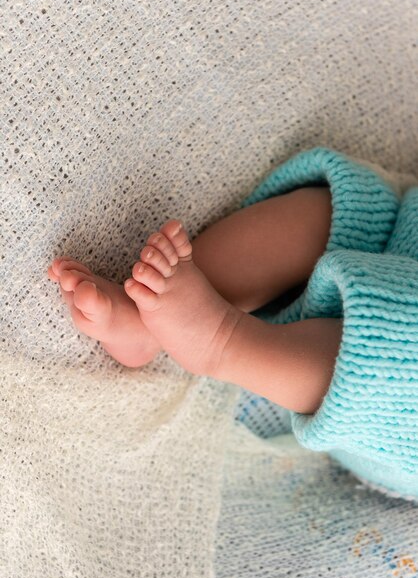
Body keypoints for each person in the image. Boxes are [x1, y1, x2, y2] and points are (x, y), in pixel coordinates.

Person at [48, 147, 418, 497]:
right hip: (397, 240)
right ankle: (145, 323)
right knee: (330, 215)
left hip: (389, 411)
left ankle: (223, 342)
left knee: (399, 363)